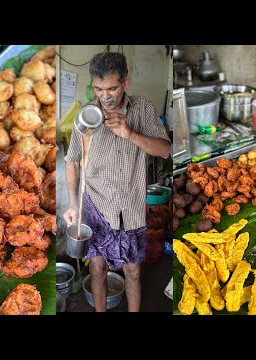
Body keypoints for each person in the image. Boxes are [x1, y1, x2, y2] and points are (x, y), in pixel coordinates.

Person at [63, 52, 170, 312]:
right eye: (99, 89)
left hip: (130, 207)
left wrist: (129, 133)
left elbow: (165, 150)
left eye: (112, 88)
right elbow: (72, 161)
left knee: (133, 272)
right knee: (97, 268)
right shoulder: (86, 115)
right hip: (96, 204)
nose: (106, 96)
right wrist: (73, 203)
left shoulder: (142, 108)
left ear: (125, 82)